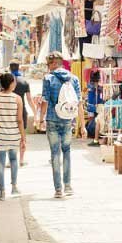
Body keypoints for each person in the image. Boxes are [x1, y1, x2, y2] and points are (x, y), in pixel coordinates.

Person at [38, 52, 80, 199]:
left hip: (52, 119)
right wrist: (82, 125)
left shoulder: (48, 78)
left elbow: (45, 101)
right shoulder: (74, 78)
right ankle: (68, 185)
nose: (48, 68)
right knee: (67, 152)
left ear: (53, 63)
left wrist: (40, 119)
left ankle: (58, 189)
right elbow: (78, 103)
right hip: (67, 120)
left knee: (55, 153)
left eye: (48, 64)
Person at [0, 73, 24, 200]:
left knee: (1, 163)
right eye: (14, 82)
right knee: (14, 160)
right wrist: (23, 137)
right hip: (13, 135)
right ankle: (14, 187)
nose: (15, 84)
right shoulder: (17, 98)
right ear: (10, 83)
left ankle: (2, 191)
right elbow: (20, 120)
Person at [8, 61, 33, 165]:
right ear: (19, 68)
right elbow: (29, 99)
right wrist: (35, 112)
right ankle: (21, 159)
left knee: (10, 135)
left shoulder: (7, 81)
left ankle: (10, 160)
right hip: (22, 111)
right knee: (22, 135)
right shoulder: (24, 81)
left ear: (10, 68)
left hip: (9, 111)